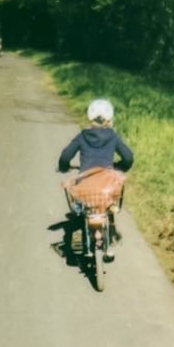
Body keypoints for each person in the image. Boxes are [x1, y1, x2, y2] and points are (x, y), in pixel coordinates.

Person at [57, 98, 134, 253]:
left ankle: (80, 232)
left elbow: (65, 157)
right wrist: (119, 166)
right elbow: (128, 157)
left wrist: (64, 167)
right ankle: (110, 234)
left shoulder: (82, 136)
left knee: (80, 209)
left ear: (90, 118)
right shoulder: (113, 137)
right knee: (109, 203)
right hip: (107, 185)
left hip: (86, 184)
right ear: (109, 119)